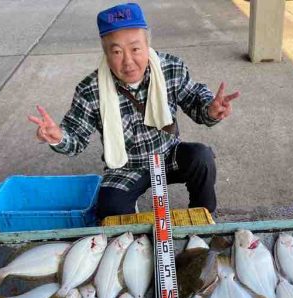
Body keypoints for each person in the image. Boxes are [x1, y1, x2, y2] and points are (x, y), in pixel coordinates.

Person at [28, 2, 239, 220]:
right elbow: (75, 138)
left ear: (147, 44)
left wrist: (211, 110)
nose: (128, 61)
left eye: (136, 49)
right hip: (126, 166)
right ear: (105, 53)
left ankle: (204, 217)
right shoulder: (90, 89)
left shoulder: (171, 68)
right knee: (110, 211)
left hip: (168, 154)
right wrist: (57, 137)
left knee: (202, 157)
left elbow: (195, 99)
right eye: (117, 51)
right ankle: (130, 217)